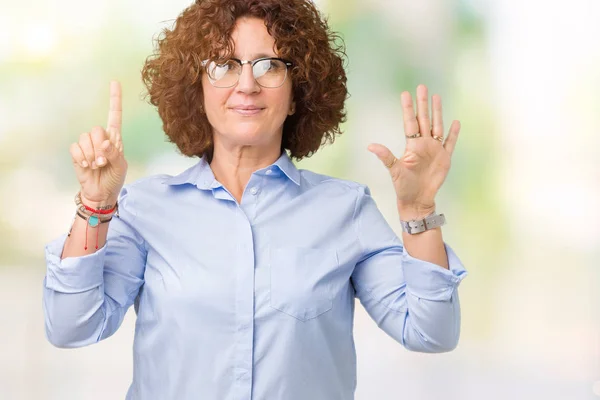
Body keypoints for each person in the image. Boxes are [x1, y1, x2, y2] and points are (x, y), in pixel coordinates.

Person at [43, 0, 467, 399]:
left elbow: (431, 332)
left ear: (298, 92)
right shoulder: (145, 209)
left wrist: (419, 211)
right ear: (198, 90)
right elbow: (69, 327)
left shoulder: (346, 209)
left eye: (269, 66)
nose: (247, 84)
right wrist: (95, 204)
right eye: (224, 65)